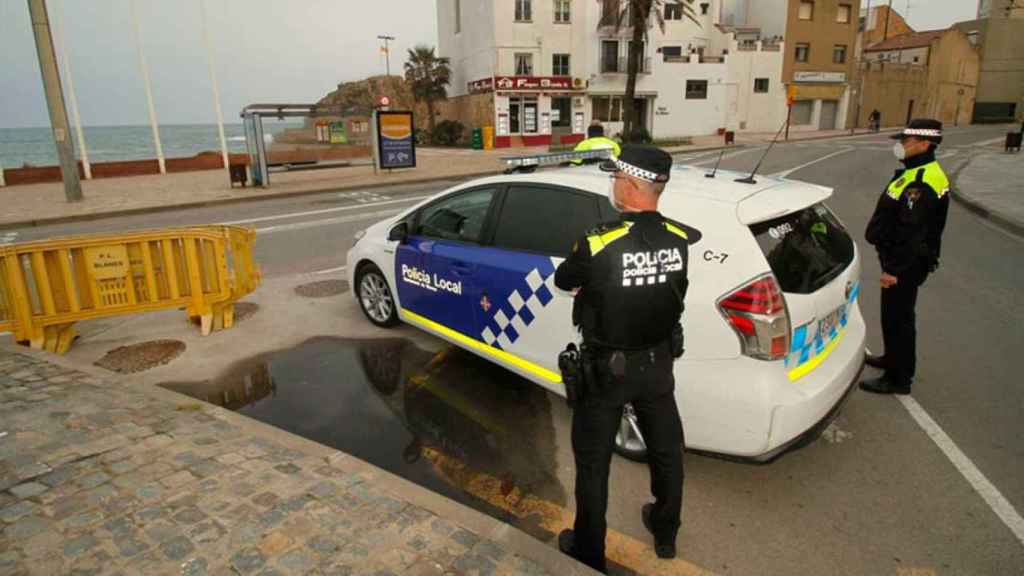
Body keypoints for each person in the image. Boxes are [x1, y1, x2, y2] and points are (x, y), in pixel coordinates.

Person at [554, 145, 689, 573]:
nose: (612, 183)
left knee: (593, 464)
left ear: (630, 184)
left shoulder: (599, 241)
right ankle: (665, 534)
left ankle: (589, 550)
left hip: (607, 371)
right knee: (667, 451)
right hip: (658, 364)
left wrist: (593, 287)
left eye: (616, 178)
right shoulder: (681, 239)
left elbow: (564, 279)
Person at [861, 118, 950, 395]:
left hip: (904, 264)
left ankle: (898, 379)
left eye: (906, 141)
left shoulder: (922, 182)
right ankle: (892, 359)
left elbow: (911, 233)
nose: (900, 146)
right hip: (899, 260)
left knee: (898, 318)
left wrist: (894, 270)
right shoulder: (914, 172)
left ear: (925, 144)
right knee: (893, 316)